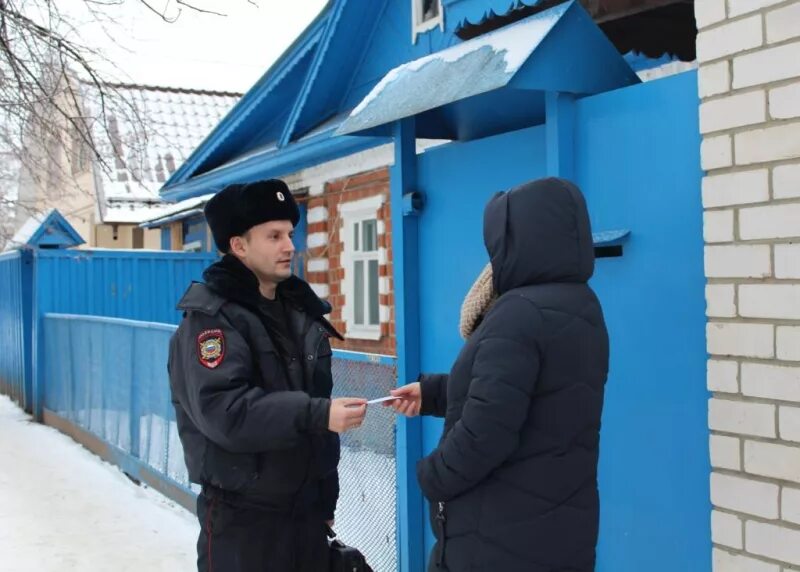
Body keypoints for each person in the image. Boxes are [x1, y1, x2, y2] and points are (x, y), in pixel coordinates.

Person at [388, 177, 610, 571]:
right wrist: (434, 392)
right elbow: (534, 392)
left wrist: (431, 477)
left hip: (498, 538)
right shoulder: (581, 305)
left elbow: (484, 434)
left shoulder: (518, 312)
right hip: (554, 528)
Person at [168, 179, 367, 572]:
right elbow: (226, 412)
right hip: (243, 526)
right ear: (238, 245)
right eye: (273, 236)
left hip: (306, 516)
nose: (289, 246)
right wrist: (316, 413)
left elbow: (317, 424)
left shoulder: (300, 312)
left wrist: (325, 500)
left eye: (290, 234)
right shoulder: (211, 320)